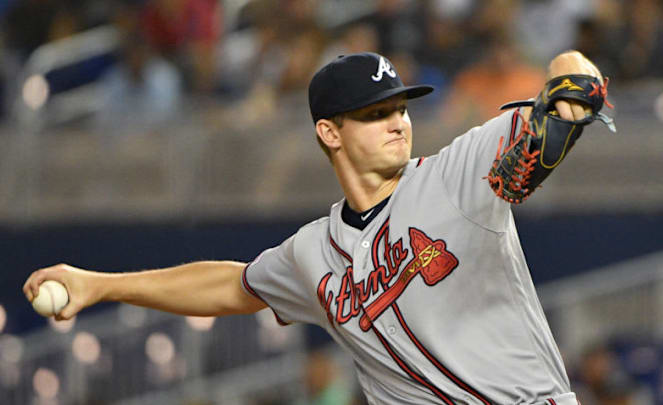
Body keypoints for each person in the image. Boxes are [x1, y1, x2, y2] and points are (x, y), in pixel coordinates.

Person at [24, 50, 608, 404]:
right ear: (330, 132)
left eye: (400, 108)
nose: (398, 123)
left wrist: (569, 94)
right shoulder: (313, 253)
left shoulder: (457, 173)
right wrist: (99, 284)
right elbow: (231, 287)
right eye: (375, 114)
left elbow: (572, 74)